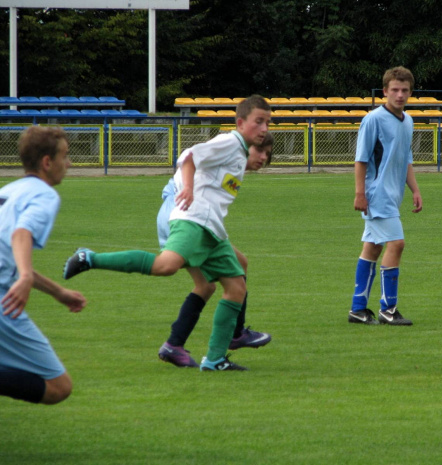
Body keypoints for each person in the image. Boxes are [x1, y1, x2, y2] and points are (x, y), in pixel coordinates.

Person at [63, 95, 271, 371]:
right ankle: (89, 258)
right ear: (241, 122)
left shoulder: (239, 152)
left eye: (268, 122)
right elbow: (188, 156)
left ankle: (216, 359)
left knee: (235, 287)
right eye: (259, 121)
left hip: (213, 230)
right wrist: (186, 187)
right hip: (194, 219)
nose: (265, 128)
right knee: (166, 266)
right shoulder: (229, 142)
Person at [156, 133, 274, 367]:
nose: (263, 157)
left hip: (180, 213)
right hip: (179, 212)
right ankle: (234, 334)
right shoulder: (228, 148)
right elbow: (191, 157)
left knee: (214, 280)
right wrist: (187, 187)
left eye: (268, 154)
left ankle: (174, 344)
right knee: (231, 269)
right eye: (259, 150)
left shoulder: (234, 163)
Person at [0, 126, 87, 405]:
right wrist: (25, 277)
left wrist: (57, 292)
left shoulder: (9, 191)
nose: (69, 163)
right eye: (65, 156)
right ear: (47, 162)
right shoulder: (44, 195)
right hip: (4, 301)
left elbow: (9, 254)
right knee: (58, 387)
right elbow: (21, 234)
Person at [348, 66, 423, 326]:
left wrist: (414, 189)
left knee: (373, 247)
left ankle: (358, 309)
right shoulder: (374, 119)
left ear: (410, 93)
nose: (399, 95)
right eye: (395, 90)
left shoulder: (408, 120)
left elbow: (406, 159)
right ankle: (388, 309)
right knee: (397, 243)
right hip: (376, 194)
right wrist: (360, 193)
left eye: (404, 90)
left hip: (393, 195)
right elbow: (361, 159)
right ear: (385, 91)